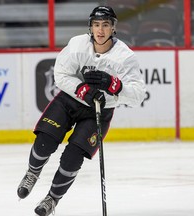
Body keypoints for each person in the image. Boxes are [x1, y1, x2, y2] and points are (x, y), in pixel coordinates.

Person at [17, 5, 146, 216]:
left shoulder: (125, 57)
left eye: (105, 25)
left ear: (113, 28)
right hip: (70, 100)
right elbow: (61, 74)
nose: (100, 30)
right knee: (45, 141)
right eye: (96, 25)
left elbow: (138, 94)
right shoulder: (77, 45)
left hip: (99, 110)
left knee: (73, 158)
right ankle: (32, 173)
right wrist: (82, 89)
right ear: (90, 27)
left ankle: (52, 199)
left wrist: (115, 85)